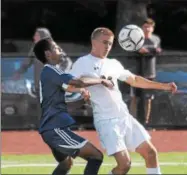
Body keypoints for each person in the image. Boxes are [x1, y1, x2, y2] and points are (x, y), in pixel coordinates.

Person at [69, 27, 177, 175]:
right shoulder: (83, 62)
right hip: (107, 121)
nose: (108, 46)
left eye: (110, 43)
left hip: (124, 117)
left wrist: (164, 86)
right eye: (105, 42)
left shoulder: (113, 63)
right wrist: (99, 81)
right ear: (93, 42)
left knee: (151, 153)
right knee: (124, 165)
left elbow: (134, 80)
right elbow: (70, 84)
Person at [33, 38, 114, 175]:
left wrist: (83, 99)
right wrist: (101, 80)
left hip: (50, 129)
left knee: (66, 164)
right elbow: (79, 82)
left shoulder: (49, 75)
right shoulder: (51, 71)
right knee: (96, 156)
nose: (61, 51)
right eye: (57, 48)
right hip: (55, 129)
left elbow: (68, 103)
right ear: (48, 54)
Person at [138, 18, 162, 124]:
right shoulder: (137, 39)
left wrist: (158, 51)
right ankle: (133, 120)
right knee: (135, 97)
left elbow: (158, 50)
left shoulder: (156, 39)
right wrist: (139, 50)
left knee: (149, 98)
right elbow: (131, 49)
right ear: (142, 28)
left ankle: (146, 121)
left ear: (152, 28)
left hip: (150, 72)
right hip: (137, 72)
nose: (147, 29)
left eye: (149, 26)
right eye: (145, 26)